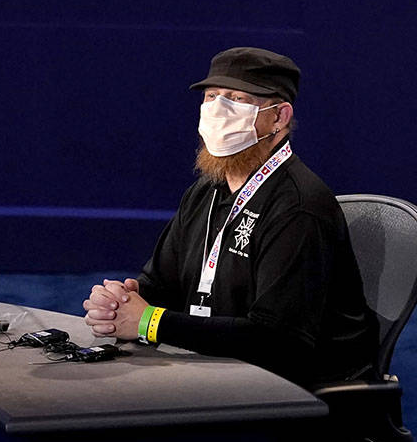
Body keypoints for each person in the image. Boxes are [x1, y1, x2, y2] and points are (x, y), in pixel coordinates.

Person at [82, 46, 378, 388]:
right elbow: (162, 285)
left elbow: (279, 340)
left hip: (298, 394)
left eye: (236, 98)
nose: (217, 110)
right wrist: (121, 303)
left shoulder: (299, 207)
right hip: (219, 370)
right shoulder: (205, 192)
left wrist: (149, 321)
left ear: (279, 117)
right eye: (211, 96)